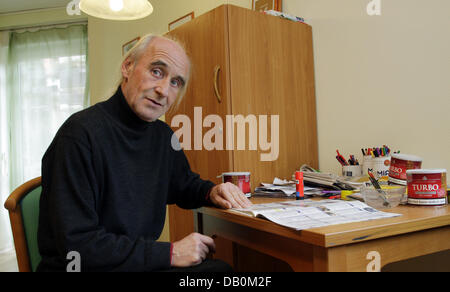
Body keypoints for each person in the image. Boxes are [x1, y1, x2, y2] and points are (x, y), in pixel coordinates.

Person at [37, 34, 252, 272]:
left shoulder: (162, 136)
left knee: (219, 270)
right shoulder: (79, 135)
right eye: (157, 72)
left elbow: (183, 183)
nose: (163, 90)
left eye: (176, 82)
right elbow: (77, 248)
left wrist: (212, 191)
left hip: (129, 263)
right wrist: (171, 252)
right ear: (128, 67)